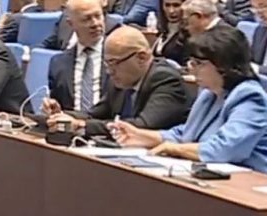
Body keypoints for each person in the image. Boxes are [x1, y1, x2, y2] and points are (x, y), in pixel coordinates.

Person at [108, 27, 267, 173]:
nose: (191, 68)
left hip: (247, 181)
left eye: (198, 63)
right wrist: (141, 135)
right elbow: (186, 133)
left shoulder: (249, 96)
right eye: (191, 62)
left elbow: (224, 149)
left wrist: (175, 149)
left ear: (223, 66)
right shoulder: (209, 93)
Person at [43, 26, 190, 137]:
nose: (109, 71)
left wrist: (81, 126)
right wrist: (61, 116)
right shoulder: (121, 80)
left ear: (142, 57)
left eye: (114, 63)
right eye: (107, 64)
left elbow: (140, 127)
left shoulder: (166, 79)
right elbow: (94, 114)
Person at [48, 0, 108, 112]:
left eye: (98, 16)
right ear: (71, 24)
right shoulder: (58, 64)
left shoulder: (120, 58)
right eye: (87, 19)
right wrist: (53, 108)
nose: (95, 24)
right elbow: (57, 105)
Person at [41, 0, 120, 50]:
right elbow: (46, 44)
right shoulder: (65, 20)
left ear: (104, 1)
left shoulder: (114, 28)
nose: (89, 0)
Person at [153, 0, 191, 65]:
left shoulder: (190, 34)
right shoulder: (164, 30)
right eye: (167, 5)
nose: (171, 11)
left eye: (176, 5)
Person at [249, 0, 267, 74]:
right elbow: (252, 61)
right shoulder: (260, 30)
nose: (259, 13)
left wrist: (257, 69)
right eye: (255, 8)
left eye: (263, 6)